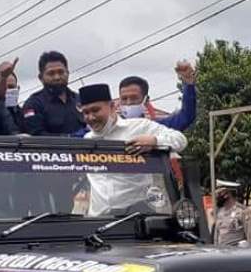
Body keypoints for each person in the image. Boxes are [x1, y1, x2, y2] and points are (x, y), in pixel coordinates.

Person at [78, 83, 187, 216]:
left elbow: (180, 139)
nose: (91, 117)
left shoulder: (139, 127)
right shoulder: (87, 140)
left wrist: (154, 141)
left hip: (136, 217)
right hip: (98, 219)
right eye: (85, 113)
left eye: (95, 110)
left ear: (112, 106)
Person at [117, 60, 198, 130]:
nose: (128, 102)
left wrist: (188, 83)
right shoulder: (110, 129)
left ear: (145, 100)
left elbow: (185, 117)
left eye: (134, 98)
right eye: (124, 99)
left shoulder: (155, 128)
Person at [22, 51, 86, 136]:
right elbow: (37, 137)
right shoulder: (33, 104)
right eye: (51, 73)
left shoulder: (80, 99)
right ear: (41, 78)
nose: (57, 77)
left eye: (61, 72)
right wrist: (69, 139)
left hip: (86, 148)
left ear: (67, 73)